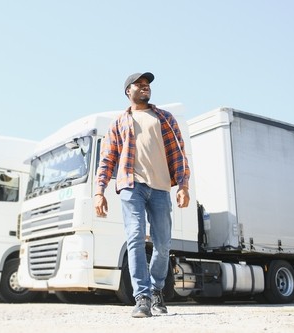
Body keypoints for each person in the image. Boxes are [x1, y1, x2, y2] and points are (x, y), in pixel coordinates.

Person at [94, 72, 190, 318]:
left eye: (147, 84)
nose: (145, 87)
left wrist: (183, 185)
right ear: (129, 91)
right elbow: (107, 159)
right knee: (135, 237)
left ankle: (157, 289)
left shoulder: (165, 118)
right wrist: (99, 191)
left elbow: (178, 154)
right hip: (131, 185)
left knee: (163, 244)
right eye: (140, 84)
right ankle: (142, 298)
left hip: (160, 188)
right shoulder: (118, 123)